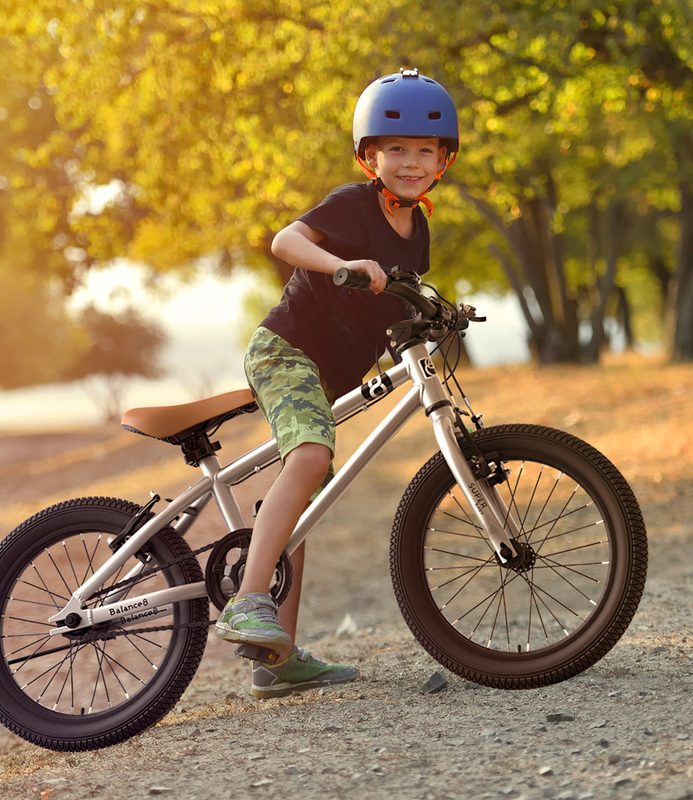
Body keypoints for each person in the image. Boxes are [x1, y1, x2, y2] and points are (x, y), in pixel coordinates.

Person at [215, 68, 459, 699]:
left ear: (443, 161)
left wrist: (436, 313)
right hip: (287, 353)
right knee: (313, 455)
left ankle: (277, 658)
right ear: (369, 155)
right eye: (395, 149)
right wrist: (342, 264)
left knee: (304, 497)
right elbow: (286, 240)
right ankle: (246, 602)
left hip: (332, 373)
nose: (410, 162)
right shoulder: (352, 204)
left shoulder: (419, 232)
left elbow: (397, 296)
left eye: (424, 151)